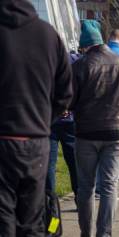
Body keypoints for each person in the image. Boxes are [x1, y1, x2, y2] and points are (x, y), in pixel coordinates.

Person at [0, 1, 73, 235]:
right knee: (32, 219)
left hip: (4, 139)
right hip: (36, 141)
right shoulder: (48, 35)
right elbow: (65, 92)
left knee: (3, 217)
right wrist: (43, 119)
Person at [71, 20, 119, 237]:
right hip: (117, 131)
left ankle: (86, 233)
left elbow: (70, 100)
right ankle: (104, 234)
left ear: (85, 44)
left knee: (86, 186)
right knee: (109, 186)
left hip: (87, 132)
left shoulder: (80, 65)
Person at [46, 53, 81, 208]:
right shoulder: (75, 60)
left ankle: (51, 207)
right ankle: (80, 201)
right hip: (69, 119)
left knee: (49, 166)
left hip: (49, 119)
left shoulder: (42, 59)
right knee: (75, 164)